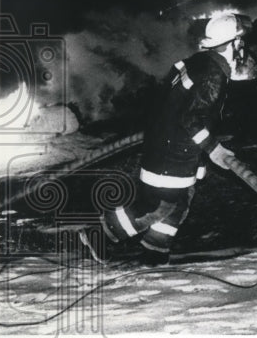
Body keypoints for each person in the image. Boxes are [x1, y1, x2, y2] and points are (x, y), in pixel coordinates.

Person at [86, 14, 245, 265]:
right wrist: (214, 150)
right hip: (172, 151)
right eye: (239, 42)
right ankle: (99, 234)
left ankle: (155, 251)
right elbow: (193, 119)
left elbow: (176, 106)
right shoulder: (213, 74)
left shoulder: (195, 63)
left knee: (180, 202)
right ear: (231, 44)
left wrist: (199, 160)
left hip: (169, 145)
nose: (241, 48)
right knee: (159, 205)